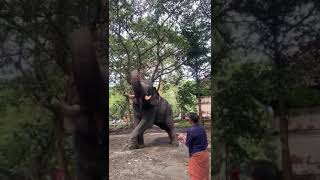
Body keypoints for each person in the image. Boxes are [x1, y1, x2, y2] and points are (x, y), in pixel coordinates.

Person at [176, 112, 209, 180]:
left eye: (188, 118)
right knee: (204, 176)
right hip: (205, 155)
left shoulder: (191, 130)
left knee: (195, 176)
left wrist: (182, 137)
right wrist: (185, 137)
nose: (187, 120)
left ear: (190, 120)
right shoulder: (202, 128)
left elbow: (188, 144)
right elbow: (197, 139)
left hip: (196, 156)